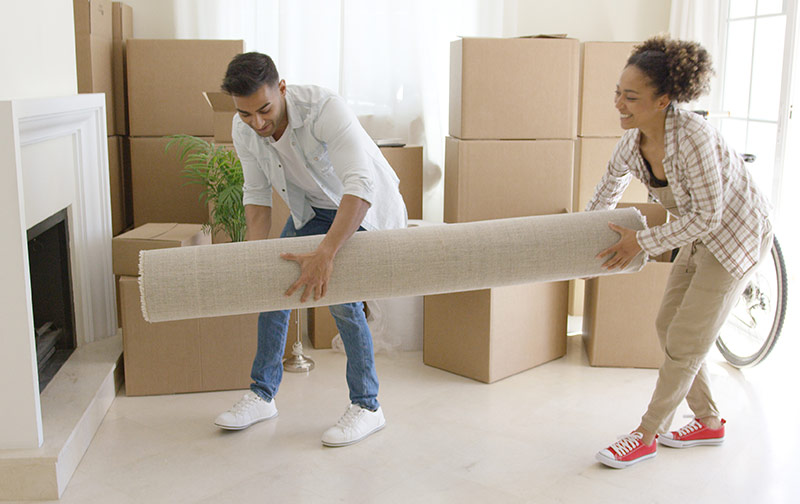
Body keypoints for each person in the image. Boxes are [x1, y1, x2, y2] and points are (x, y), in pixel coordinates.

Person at [587, 36, 773, 468]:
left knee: (686, 340)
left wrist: (642, 243)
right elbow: (605, 193)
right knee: (667, 326)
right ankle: (708, 421)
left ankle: (647, 433)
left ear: (664, 100)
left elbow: (710, 217)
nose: (619, 103)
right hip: (696, 232)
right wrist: (580, 243)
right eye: (618, 91)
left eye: (631, 97)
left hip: (735, 234)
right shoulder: (632, 145)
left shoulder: (693, 139)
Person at [213, 52, 407, 447]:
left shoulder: (324, 109)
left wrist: (326, 254)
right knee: (275, 284)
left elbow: (360, 187)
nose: (258, 123)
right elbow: (256, 197)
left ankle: (368, 405)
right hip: (316, 209)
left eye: (264, 110)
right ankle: (263, 394)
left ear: (281, 88)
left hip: (362, 207)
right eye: (246, 114)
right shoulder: (244, 127)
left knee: (339, 296)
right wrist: (255, 259)